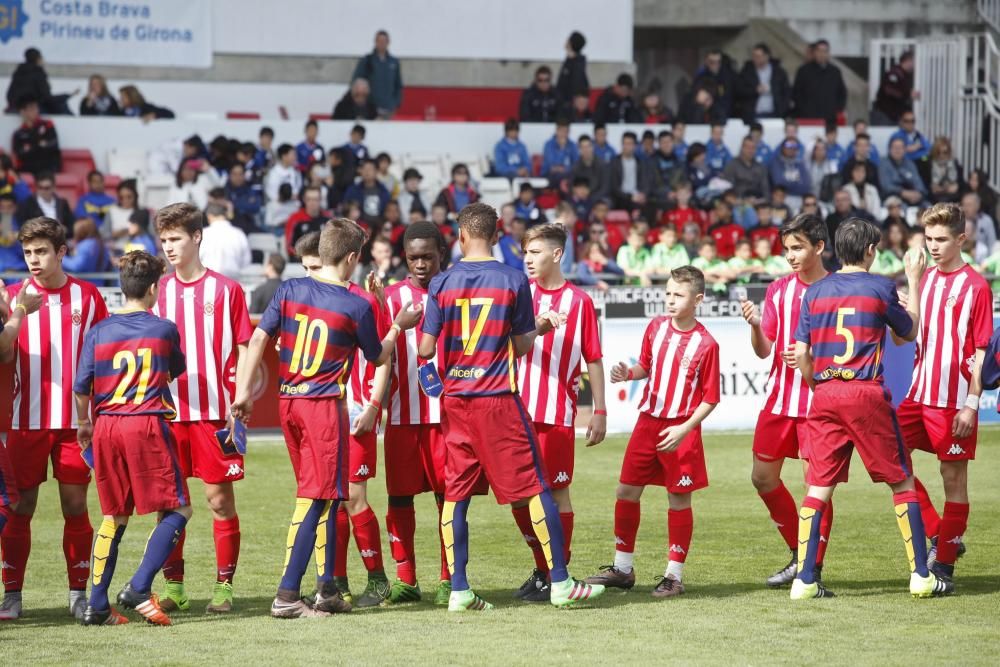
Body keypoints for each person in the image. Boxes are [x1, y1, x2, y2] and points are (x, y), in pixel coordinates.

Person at [416, 202, 605, 611]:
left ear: (461, 236)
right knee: (537, 489)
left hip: (455, 402)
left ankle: (461, 589)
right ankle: (559, 582)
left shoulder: (442, 283)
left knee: (456, 496)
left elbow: (426, 347)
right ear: (497, 236)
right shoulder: (512, 279)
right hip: (497, 398)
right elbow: (521, 345)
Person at [231, 219, 419, 618]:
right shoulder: (358, 302)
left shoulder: (291, 288)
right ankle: (286, 596)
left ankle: (327, 589)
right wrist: (399, 327)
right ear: (352, 257)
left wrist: (244, 393)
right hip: (322, 407)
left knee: (331, 497)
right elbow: (378, 357)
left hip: (288, 403)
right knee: (317, 500)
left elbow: (260, 338)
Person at [790, 217, 952, 600]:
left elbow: (801, 354)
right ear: (869, 251)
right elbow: (907, 332)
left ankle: (805, 580)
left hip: (826, 393)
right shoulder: (880, 286)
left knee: (818, 487)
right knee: (901, 481)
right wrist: (914, 280)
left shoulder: (813, 292)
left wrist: (822, 389)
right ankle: (921, 575)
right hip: (864, 393)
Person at [584, 265, 719, 598]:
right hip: (648, 423)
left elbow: (711, 398)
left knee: (677, 499)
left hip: (681, 429)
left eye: (679, 294)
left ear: (697, 299)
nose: (670, 300)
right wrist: (627, 373)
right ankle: (623, 569)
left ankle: (674, 576)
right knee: (626, 492)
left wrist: (684, 429)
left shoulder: (706, 343)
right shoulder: (656, 327)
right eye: (668, 293)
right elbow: (646, 365)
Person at [72, 250, 190, 626]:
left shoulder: (99, 331)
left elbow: (82, 387)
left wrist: (83, 422)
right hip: (145, 424)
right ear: (154, 288)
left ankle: (96, 605)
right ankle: (139, 587)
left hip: (106, 425)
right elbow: (174, 372)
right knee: (179, 508)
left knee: (113, 516)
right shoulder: (163, 328)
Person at [0, 217, 109, 621]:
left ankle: (77, 593)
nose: (34, 259)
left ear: (62, 252)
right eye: (28, 252)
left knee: (75, 504)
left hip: (73, 424)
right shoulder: (12, 297)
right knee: (20, 507)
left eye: (42, 251)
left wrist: (97, 414)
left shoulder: (88, 296)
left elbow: (101, 359)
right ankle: (12, 595)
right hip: (24, 421)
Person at [150, 203, 253, 615]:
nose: (169, 247)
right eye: (164, 240)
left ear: (196, 237)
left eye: (176, 238)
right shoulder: (158, 291)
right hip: (168, 414)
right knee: (167, 502)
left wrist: (242, 393)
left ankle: (224, 587)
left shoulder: (226, 290)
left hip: (214, 413)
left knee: (218, 501)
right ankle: (174, 587)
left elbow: (246, 345)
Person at [508, 223, 606, 601]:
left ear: (557, 254)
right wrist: (538, 325)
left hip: (556, 415)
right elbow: (508, 346)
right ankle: (546, 569)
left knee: (557, 493)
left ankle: (556, 573)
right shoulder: (519, 295)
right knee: (519, 497)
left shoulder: (579, 302)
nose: (528, 260)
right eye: (526, 253)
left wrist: (600, 411)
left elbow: (593, 358)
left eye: (535, 253)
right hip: (516, 411)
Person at [739, 214, 832, 586]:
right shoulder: (779, 289)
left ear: (819, 247)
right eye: (787, 249)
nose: (791, 256)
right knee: (762, 478)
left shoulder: (836, 288)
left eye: (798, 248)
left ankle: (812, 568)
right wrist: (755, 326)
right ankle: (800, 551)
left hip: (819, 404)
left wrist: (812, 360)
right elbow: (765, 351)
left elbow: (845, 348)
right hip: (779, 401)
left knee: (817, 487)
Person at [378, 222, 455, 604]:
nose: (421, 264)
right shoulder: (390, 298)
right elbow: (376, 354)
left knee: (449, 499)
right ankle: (406, 578)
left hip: (448, 418)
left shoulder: (457, 291)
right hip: (400, 416)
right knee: (399, 498)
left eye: (428, 256)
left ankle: (448, 579)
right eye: (414, 257)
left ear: (441, 253)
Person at [5, 48, 73, 115]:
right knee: (61, 105)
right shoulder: (38, 73)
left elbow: (9, 95)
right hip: (32, 108)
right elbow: (46, 98)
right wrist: (65, 96)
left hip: (16, 107)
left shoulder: (18, 72)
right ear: (38, 59)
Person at [352, 30, 403, 118]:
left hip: (389, 109)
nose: (381, 43)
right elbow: (357, 81)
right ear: (375, 42)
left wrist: (395, 103)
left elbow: (398, 84)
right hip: (371, 109)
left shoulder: (394, 62)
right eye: (379, 41)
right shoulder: (367, 60)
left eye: (384, 41)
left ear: (388, 42)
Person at [791, 39, 846, 121]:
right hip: (808, 117)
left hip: (829, 118)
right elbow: (796, 93)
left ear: (828, 53)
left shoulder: (835, 72)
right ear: (814, 52)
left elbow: (842, 93)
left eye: (825, 51)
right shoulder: (804, 71)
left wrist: (837, 109)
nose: (822, 54)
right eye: (819, 51)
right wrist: (803, 110)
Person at [735, 43, 791, 122]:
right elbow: (739, 90)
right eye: (754, 56)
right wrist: (755, 90)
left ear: (767, 56)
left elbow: (786, 92)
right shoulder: (746, 72)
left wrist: (782, 109)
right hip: (753, 114)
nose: (755, 59)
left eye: (758, 56)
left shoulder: (779, 72)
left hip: (775, 114)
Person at [199, 203, 251, 280]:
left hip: (208, 279)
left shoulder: (204, 233)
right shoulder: (239, 233)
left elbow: (197, 258)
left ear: (209, 216)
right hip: (232, 279)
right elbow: (246, 261)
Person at [12, 96, 61, 177]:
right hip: (29, 168)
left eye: (36, 108)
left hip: (49, 167)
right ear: (23, 112)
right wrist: (40, 145)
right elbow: (19, 154)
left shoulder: (48, 124)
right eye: (31, 108)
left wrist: (32, 147)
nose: (36, 111)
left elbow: (53, 145)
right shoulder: (18, 134)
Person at [610, 132, 656, 212]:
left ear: (635, 146)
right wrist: (630, 197)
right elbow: (614, 187)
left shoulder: (641, 163)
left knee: (651, 205)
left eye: (630, 144)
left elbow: (646, 182)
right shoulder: (614, 163)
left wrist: (643, 195)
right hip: (621, 197)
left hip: (638, 195)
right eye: (625, 144)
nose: (627, 146)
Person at [879, 137, 927, 206]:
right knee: (900, 207)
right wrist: (902, 192)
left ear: (904, 150)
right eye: (895, 147)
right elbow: (886, 186)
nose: (897, 150)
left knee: (927, 207)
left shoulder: (910, 164)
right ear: (889, 149)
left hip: (912, 195)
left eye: (900, 147)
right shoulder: (884, 163)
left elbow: (918, 181)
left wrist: (918, 193)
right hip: (893, 196)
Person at [874, 51, 917, 125]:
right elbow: (889, 90)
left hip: (895, 115)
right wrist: (908, 94)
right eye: (913, 62)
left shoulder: (905, 75)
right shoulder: (895, 73)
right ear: (908, 61)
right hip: (886, 114)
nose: (914, 65)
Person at [344, 159, 391, 225]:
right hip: (357, 227)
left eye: (370, 169)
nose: (367, 172)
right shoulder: (352, 190)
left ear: (376, 171)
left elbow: (387, 211)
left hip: (378, 228)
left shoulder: (384, 191)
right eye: (364, 169)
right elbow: (346, 210)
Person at [285, 186, 330, 255]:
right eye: (309, 199)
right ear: (304, 200)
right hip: (299, 260)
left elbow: (332, 244)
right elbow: (289, 247)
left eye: (315, 199)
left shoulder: (327, 219)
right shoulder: (295, 219)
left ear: (320, 200)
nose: (312, 203)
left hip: (323, 260)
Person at [692, 49, 736, 118]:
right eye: (712, 62)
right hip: (705, 115)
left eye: (718, 62)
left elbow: (730, 97)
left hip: (724, 114)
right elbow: (697, 96)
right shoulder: (700, 76)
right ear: (706, 61)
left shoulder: (728, 76)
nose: (715, 64)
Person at [769, 140, 812, 210]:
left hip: (799, 198)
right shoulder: (776, 163)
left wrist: (788, 182)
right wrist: (796, 182)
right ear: (783, 148)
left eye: (794, 147)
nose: (791, 149)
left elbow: (806, 186)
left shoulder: (800, 164)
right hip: (783, 198)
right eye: (788, 146)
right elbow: (779, 183)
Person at [723, 136, 769, 200]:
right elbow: (728, 190)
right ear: (742, 148)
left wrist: (762, 201)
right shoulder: (732, 165)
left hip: (758, 203)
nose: (750, 151)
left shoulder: (760, 167)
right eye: (748, 147)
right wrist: (742, 201)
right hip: (738, 204)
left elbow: (765, 190)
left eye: (753, 148)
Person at [225, 163, 263, 233]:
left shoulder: (250, 189)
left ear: (244, 175)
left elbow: (256, 206)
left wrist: (234, 204)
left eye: (240, 174)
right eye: (235, 174)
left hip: (249, 226)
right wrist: (245, 203)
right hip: (230, 229)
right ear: (229, 175)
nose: (238, 177)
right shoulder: (224, 191)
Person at [541, 118, 579, 185]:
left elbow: (576, 164)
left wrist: (565, 169)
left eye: (566, 131)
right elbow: (551, 165)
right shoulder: (549, 144)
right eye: (561, 131)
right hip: (549, 175)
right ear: (556, 131)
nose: (563, 134)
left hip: (567, 175)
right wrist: (562, 148)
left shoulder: (572, 145)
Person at [572, 135, 609, 200]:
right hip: (581, 198)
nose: (586, 150)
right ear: (579, 150)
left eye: (588, 146)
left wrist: (591, 198)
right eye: (582, 147)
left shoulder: (602, 164)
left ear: (592, 147)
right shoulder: (576, 167)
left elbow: (605, 188)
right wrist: (580, 193)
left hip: (598, 198)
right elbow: (572, 186)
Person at [557, 31, 589, 103]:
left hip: (570, 106)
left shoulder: (577, 63)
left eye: (568, 40)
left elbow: (574, 85)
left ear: (571, 43)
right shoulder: (570, 60)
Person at [928, 137, 962, 204]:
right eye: (938, 152)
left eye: (945, 152)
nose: (941, 155)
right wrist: (935, 188)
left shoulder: (955, 163)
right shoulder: (929, 165)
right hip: (935, 198)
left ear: (949, 152)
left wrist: (957, 186)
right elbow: (927, 185)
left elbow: (960, 183)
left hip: (953, 197)